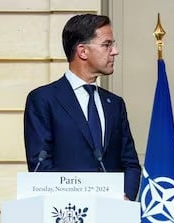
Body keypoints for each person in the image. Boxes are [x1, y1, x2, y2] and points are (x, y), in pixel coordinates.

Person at [24, 14, 141, 200]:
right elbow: (41, 164)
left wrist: (125, 198)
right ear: (82, 51)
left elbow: (130, 163)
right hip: (69, 218)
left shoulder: (115, 104)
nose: (115, 51)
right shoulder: (43, 99)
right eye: (107, 44)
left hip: (114, 216)